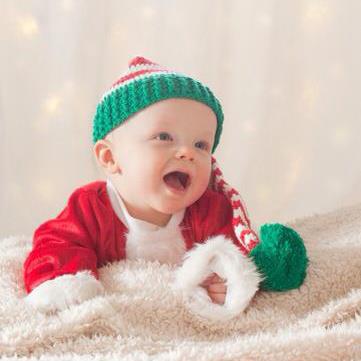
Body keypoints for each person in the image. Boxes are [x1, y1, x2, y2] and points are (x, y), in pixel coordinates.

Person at [23, 56, 262, 318]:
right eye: (163, 137)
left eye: (201, 145)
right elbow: (56, 243)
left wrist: (223, 277)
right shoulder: (91, 206)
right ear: (110, 158)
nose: (187, 152)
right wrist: (65, 281)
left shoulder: (209, 209)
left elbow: (235, 250)